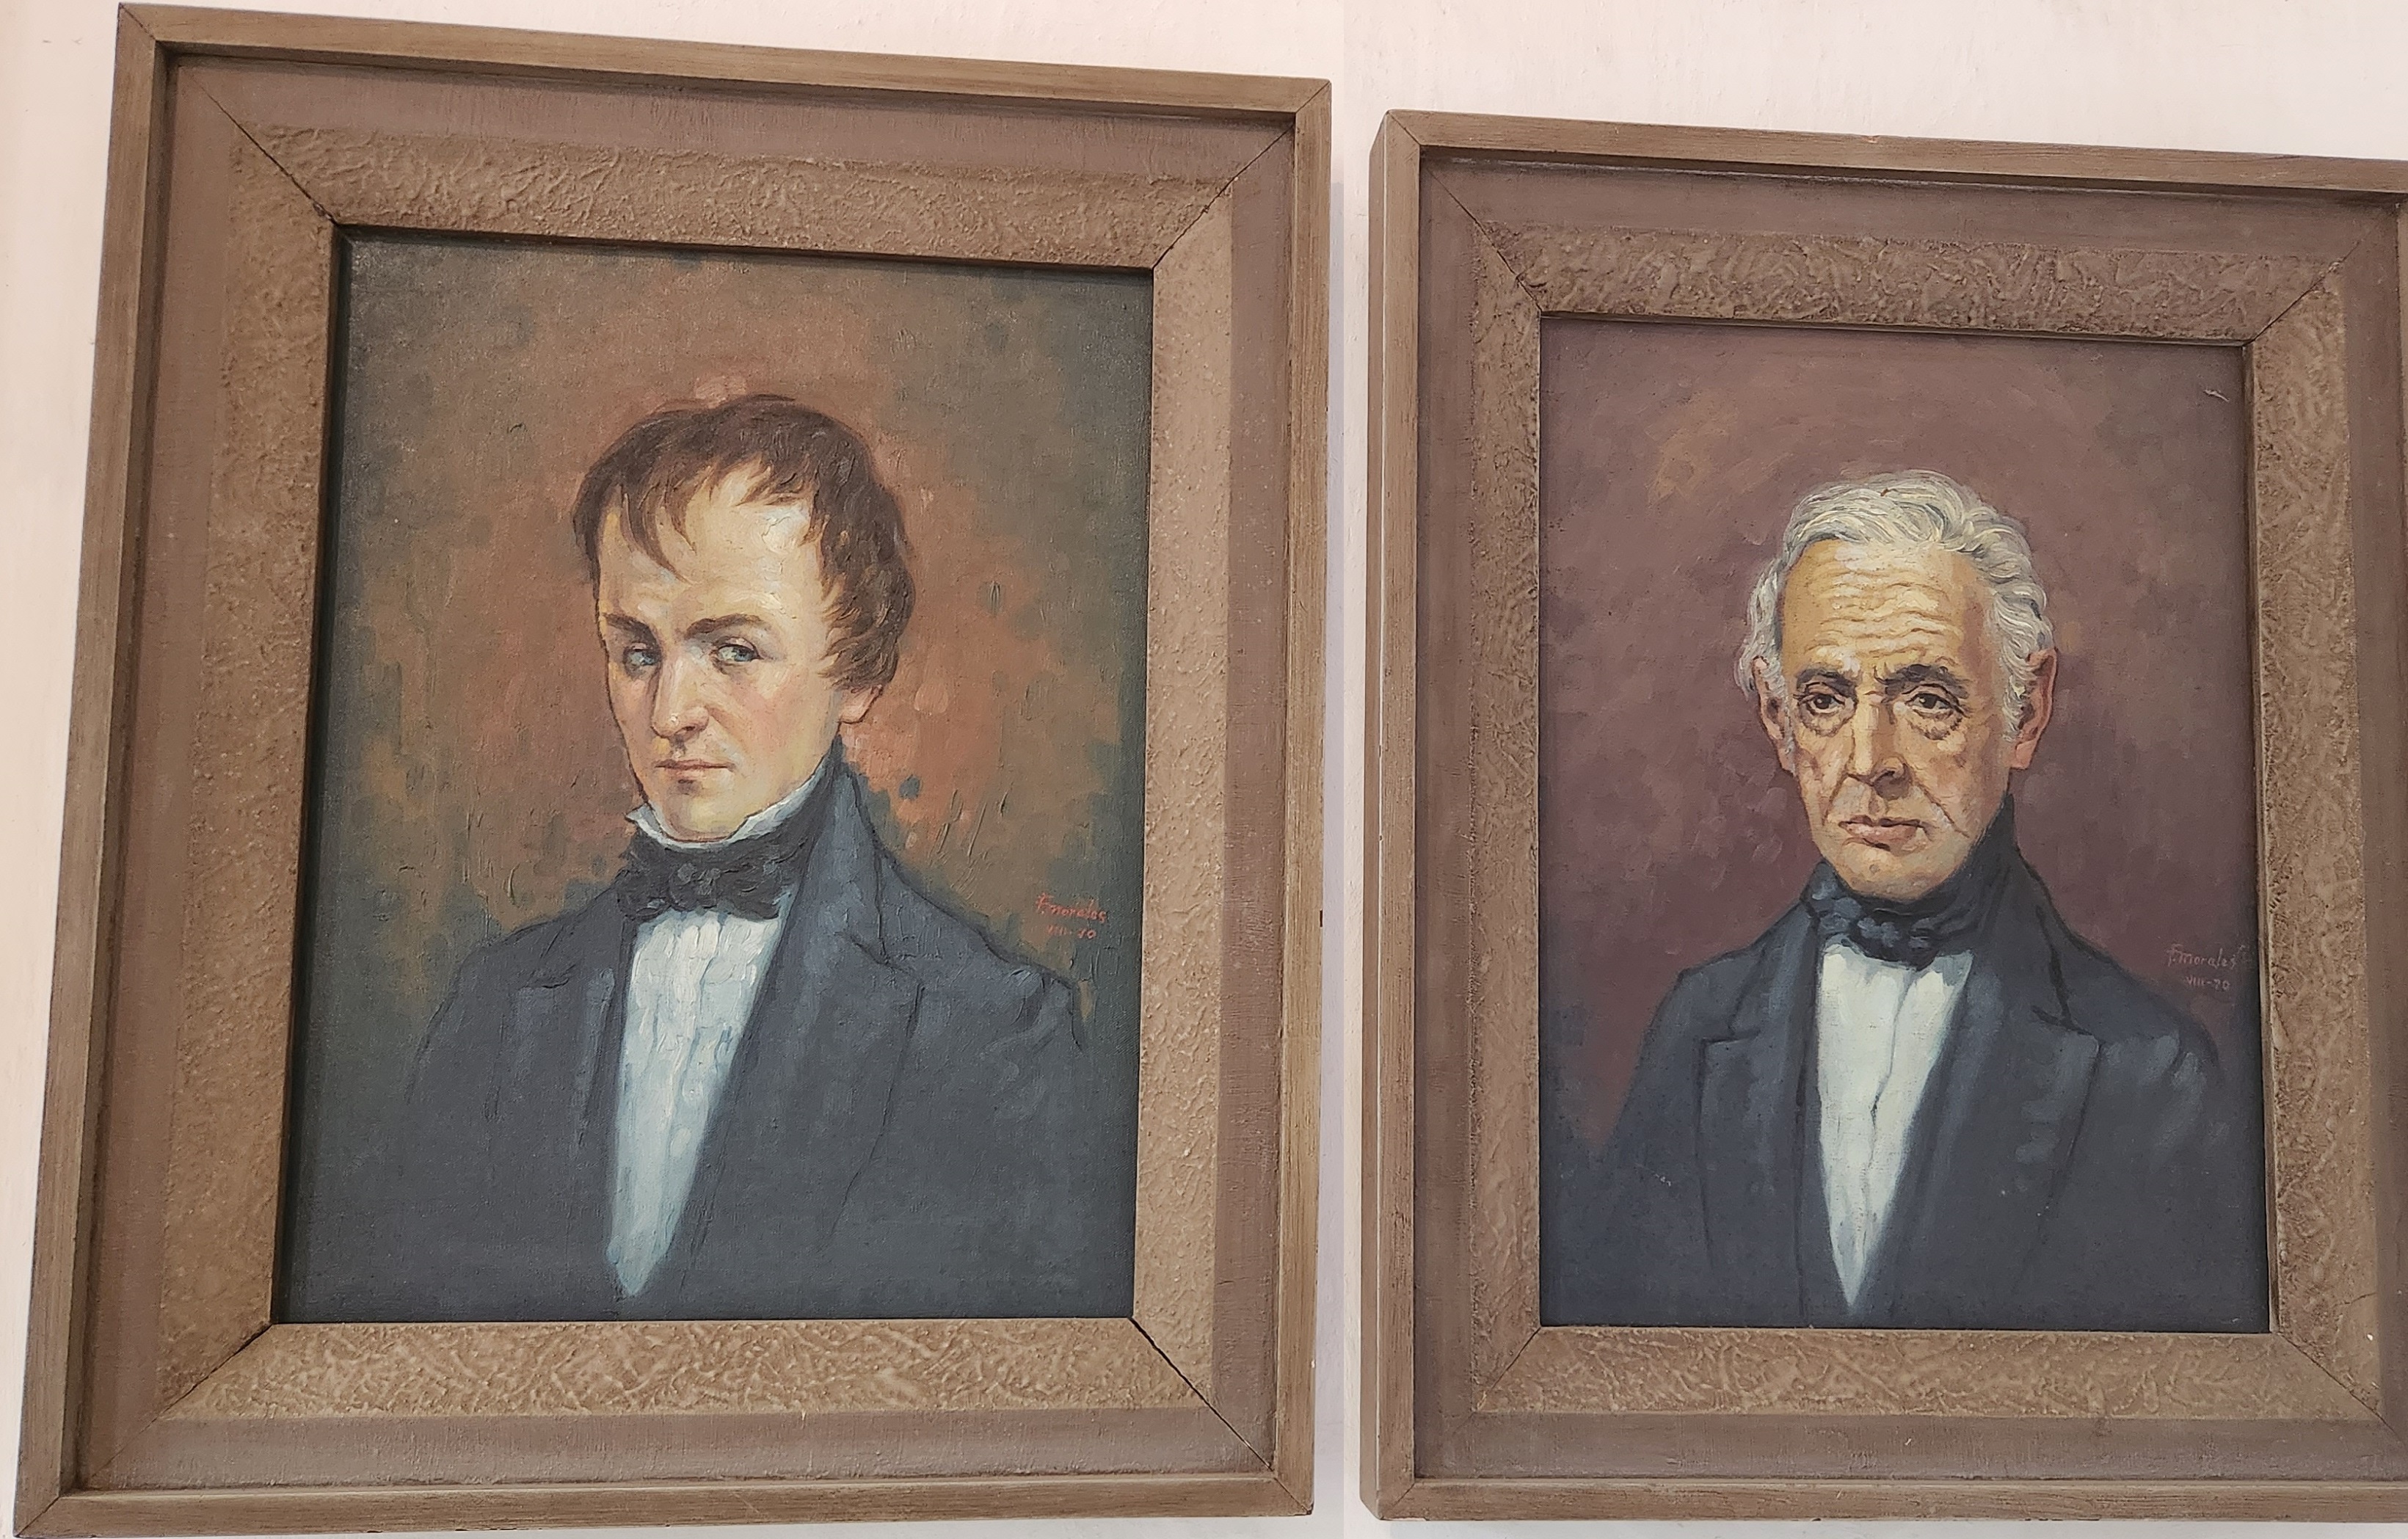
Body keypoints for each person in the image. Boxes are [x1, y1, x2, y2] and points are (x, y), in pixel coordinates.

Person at [361, 394, 1130, 1321]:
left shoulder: (998, 1033)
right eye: (636, 652)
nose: (671, 710)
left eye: (733, 650)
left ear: (857, 671)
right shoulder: (495, 1005)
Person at [1543, 470, 2266, 1332]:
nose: (1869, 759)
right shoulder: (1695, 1027)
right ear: (1777, 721)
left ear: (2024, 710)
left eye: (1926, 700)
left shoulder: (2149, 1069)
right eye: (1824, 700)